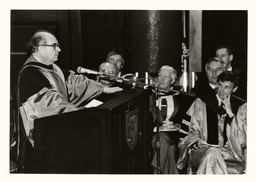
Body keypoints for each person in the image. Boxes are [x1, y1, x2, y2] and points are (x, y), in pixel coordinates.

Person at [13, 30, 123, 172]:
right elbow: (50, 104)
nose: (59, 49)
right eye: (54, 46)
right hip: (39, 139)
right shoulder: (29, 73)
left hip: (57, 133)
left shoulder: (53, 68)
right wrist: (83, 114)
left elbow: (74, 82)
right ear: (39, 47)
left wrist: (102, 88)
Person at [177, 71, 246, 174]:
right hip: (202, 151)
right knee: (212, 153)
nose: (221, 91)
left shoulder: (242, 107)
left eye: (227, 87)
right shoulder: (201, 103)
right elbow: (188, 132)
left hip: (230, 153)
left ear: (234, 89)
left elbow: (244, 141)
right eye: (220, 85)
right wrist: (198, 142)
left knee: (215, 154)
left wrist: (231, 115)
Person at [150, 65, 195, 174]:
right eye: (160, 76)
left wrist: (177, 126)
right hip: (152, 134)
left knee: (167, 145)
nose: (161, 79)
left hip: (175, 135)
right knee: (165, 143)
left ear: (173, 80)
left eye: (165, 77)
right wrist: (157, 128)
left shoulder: (182, 97)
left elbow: (188, 120)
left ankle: (156, 173)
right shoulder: (149, 96)